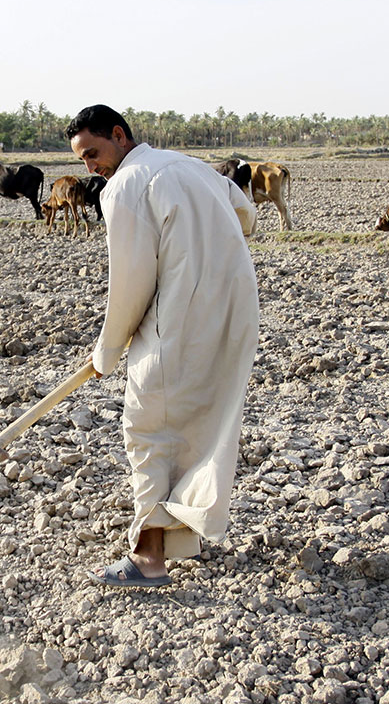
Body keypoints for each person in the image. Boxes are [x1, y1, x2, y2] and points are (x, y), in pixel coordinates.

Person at [66, 104, 260, 588]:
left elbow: (130, 280)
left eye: (93, 153)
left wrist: (107, 350)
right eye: (83, 160)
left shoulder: (125, 187)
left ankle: (148, 559)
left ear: (118, 135)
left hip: (181, 315)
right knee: (196, 418)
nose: (90, 167)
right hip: (235, 309)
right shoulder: (188, 165)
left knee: (146, 425)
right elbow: (247, 214)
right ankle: (180, 532)